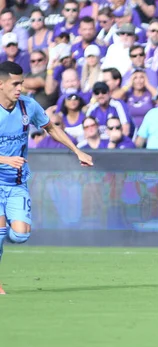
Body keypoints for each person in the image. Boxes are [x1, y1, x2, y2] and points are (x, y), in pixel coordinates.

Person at [0, 61, 92, 294]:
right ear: (1, 84)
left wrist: (76, 150)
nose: (21, 87)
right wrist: (4, 159)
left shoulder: (28, 106)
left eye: (22, 82)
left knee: (20, 235)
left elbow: (51, 128)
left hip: (17, 182)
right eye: (15, 83)